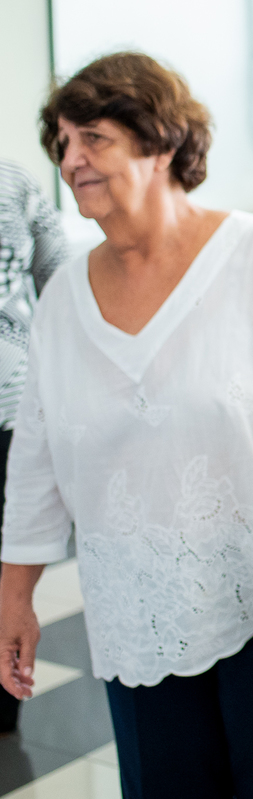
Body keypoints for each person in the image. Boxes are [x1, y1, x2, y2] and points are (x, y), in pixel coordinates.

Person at [0, 52, 253, 798]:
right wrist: (15, 595)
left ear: (161, 141)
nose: (71, 160)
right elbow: (37, 456)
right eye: (63, 143)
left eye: (94, 138)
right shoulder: (63, 301)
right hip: (136, 618)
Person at [0, 159, 68, 735]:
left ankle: (3, 696)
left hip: (10, 407)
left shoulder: (15, 181)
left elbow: (63, 283)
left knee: (8, 561)